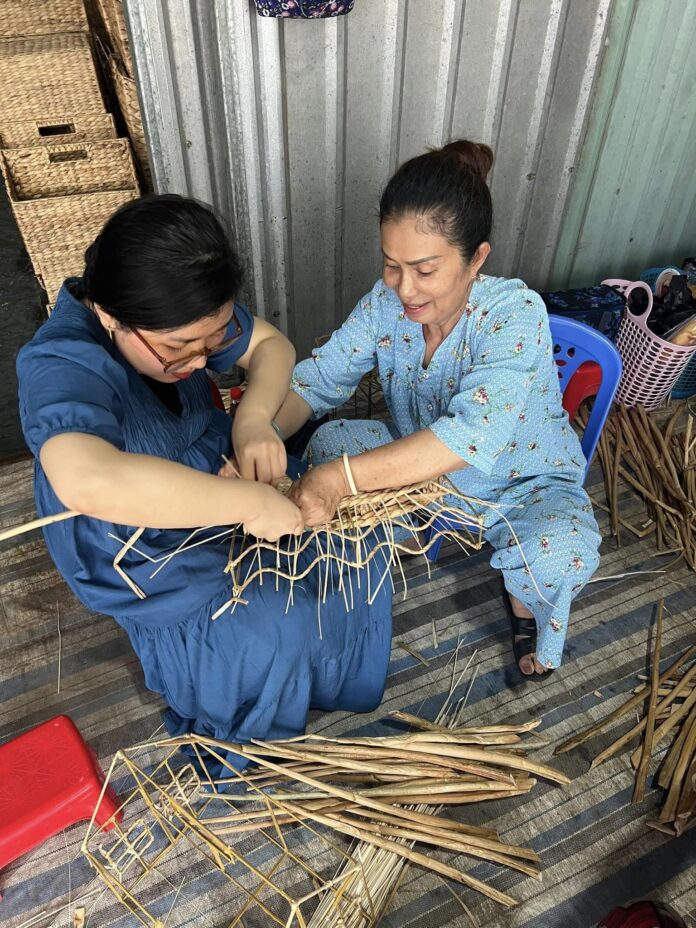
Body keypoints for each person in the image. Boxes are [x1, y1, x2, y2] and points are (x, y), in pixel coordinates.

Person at [16, 194, 392, 763]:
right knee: (272, 627)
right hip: (146, 542)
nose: (198, 363)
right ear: (111, 316)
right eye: (176, 351)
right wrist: (239, 503)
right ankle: (251, 718)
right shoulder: (61, 361)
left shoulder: (179, 312)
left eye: (212, 343)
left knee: (351, 545)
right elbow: (86, 478)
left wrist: (252, 421)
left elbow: (272, 346)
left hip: (220, 469)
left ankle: (327, 681)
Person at [273, 140, 601, 678]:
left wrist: (339, 481)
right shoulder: (386, 304)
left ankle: (522, 599)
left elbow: (464, 438)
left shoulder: (514, 314)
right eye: (391, 265)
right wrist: (260, 432)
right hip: (427, 477)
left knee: (557, 556)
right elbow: (318, 381)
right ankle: (413, 525)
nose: (404, 288)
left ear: (477, 259)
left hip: (523, 483)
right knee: (328, 445)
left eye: (424, 270)